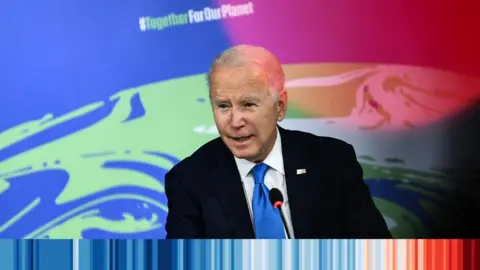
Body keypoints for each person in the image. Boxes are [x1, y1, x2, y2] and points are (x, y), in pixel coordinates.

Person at [164, 44, 392, 239]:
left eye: (248, 105)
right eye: (223, 106)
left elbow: (376, 252)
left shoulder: (332, 161)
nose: (234, 121)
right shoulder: (189, 181)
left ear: (280, 107)